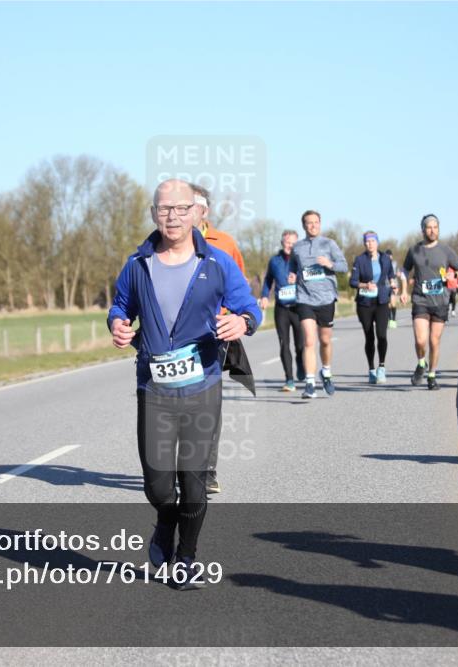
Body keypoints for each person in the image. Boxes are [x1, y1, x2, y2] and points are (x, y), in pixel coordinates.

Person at [108, 179, 260, 588]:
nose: (171, 216)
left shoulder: (216, 262)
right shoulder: (138, 263)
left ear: (196, 212)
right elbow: (120, 305)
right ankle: (163, 524)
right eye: (163, 209)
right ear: (154, 213)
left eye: (180, 208)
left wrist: (241, 321)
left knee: (194, 482)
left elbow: (250, 309)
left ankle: (186, 557)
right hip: (154, 389)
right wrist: (118, 325)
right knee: (159, 486)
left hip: (202, 386)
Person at [189, 183, 246, 495]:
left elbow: (240, 289)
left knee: (208, 403)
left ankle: (207, 470)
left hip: (213, 333)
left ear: (205, 210)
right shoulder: (164, 244)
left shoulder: (224, 243)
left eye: (193, 204)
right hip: (174, 336)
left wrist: (238, 318)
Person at [400, 214, 458, 390]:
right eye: (429, 227)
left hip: (440, 301)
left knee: (434, 341)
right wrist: (404, 290)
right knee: (421, 340)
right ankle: (422, 363)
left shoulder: (446, 250)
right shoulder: (414, 250)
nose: (432, 230)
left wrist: (455, 274)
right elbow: (404, 271)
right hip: (420, 299)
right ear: (423, 230)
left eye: (435, 227)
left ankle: (432, 375)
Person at [288, 210, 348, 399]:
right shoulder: (297, 247)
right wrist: (291, 275)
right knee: (308, 340)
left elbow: (344, 266)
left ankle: (327, 372)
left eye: (316, 222)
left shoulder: (329, 244)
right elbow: (292, 267)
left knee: (325, 341)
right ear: (303, 225)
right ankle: (310, 383)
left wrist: (330, 264)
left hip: (326, 299)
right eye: (309, 223)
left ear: (320, 224)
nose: (313, 225)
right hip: (304, 298)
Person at [349, 231, 399, 383]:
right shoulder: (360, 260)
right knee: (369, 337)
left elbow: (391, 275)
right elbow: (353, 282)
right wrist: (365, 285)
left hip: (382, 301)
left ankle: (381, 368)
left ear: (377, 242)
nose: (369, 244)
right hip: (365, 303)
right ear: (364, 244)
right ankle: (371, 369)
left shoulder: (385, 258)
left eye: (372, 241)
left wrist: (393, 284)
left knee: (382, 335)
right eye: (367, 241)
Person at [259, 230, 305, 391]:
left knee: (300, 345)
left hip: (299, 307)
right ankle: (289, 380)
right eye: (287, 242)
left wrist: (298, 278)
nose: (290, 245)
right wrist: (265, 296)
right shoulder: (274, 261)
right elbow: (268, 280)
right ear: (282, 243)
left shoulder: (302, 260)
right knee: (284, 344)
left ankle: (300, 362)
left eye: (293, 243)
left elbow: (312, 278)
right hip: (281, 309)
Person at [385, 249, 401, 328]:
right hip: (385, 286)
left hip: (394, 285)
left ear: (392, 256)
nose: (388, 257)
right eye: (387, 256)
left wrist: (396, 275)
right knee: (388, 305)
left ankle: (393, 319)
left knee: (393, 303)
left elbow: (398, 273)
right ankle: (390, 319)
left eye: (389, 255)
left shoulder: (395, 264)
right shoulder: (382, 264)